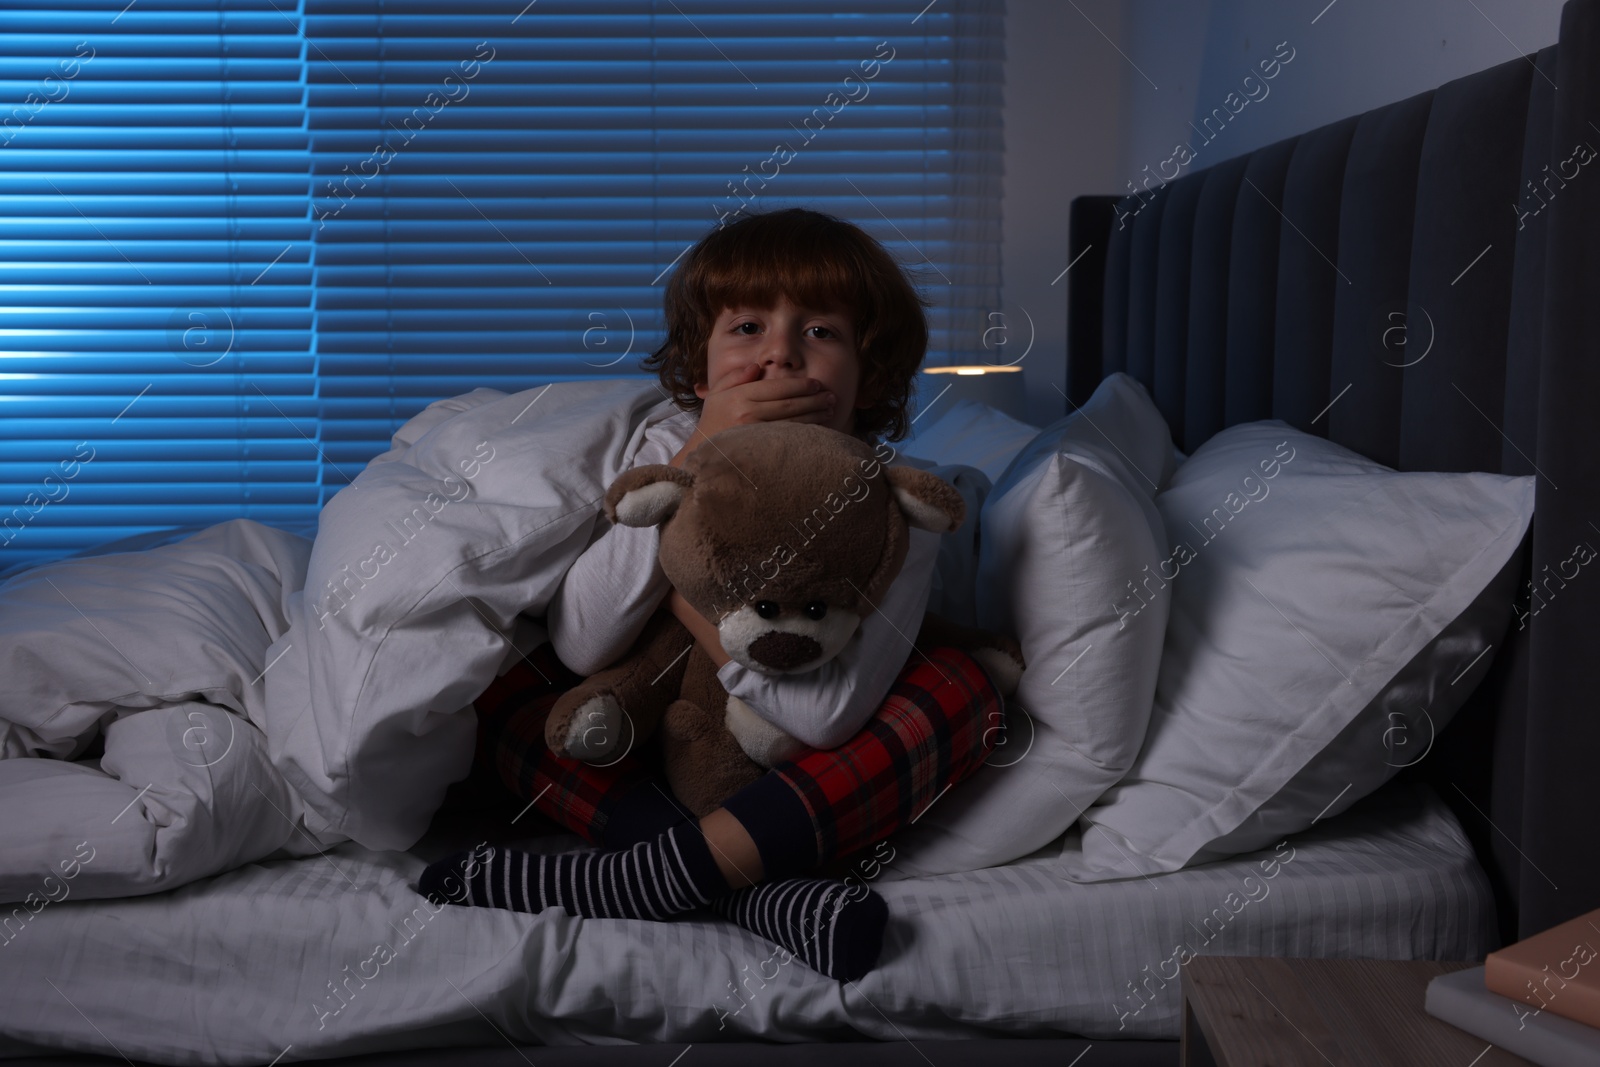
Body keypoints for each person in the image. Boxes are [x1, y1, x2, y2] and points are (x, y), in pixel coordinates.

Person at [419, 208, 1005, 982]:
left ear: (871, 375)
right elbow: (584, 643)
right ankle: (748, 895)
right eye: (748, 328)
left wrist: (688, 599)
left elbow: (820, 717)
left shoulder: (896, 505)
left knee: (968, 687)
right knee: (501, 676)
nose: (780, 357)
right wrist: (697, 458)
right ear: (699, 370)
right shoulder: (665, 454)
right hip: (651, 746)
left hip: (802, 779)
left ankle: (650, 875)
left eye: (822, 332)